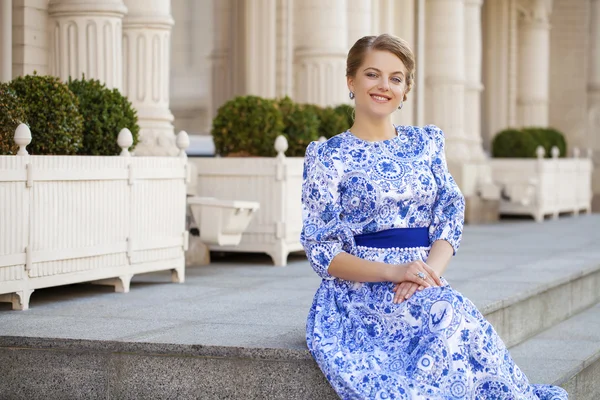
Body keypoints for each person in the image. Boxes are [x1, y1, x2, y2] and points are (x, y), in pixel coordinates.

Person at [300, 34, 568, 400]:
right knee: (446, 320)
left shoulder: (426, 143)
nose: (384, 86)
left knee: (456, 316)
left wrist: (428, 273)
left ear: (406, 89)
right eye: (372, 74)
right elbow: (321, 249)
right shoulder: (328, 156)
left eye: (396, 78)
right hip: (358, 291)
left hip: (424, 276)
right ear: (351, 81)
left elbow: (449, 214)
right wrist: (394, 272)